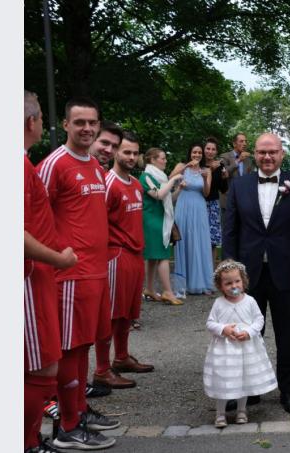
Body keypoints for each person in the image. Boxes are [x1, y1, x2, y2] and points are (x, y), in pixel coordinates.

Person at [36, 97, 118, 450]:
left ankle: (79, 410)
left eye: (92, 123)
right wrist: (54, 258)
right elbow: (32, 216)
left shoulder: (97, 167)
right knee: (68, 349)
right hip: (70, 275)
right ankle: (67, 425)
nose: (86, 128)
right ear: (66, 125)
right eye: (79, 122)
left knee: (83, 345)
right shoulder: (54, 164)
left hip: (96, 273)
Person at [222, 132, 290, 414]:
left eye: (272, 152)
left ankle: (287, 391)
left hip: (285, 271)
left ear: (282, 153)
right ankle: (249, 390)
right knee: (248, 333)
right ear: (254, 153)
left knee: (286, 334)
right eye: (262, 152)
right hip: (247, 274)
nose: (267, 157)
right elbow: (230, 231)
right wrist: (228, 272)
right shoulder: (239, 185)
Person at [24, 90, 79, 453]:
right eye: (42, 115)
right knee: (43, 367)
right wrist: (58, 259)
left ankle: (29, 439)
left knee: (43, 365)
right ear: (31, 122)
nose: (42, 122)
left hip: (38, 275)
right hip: (30, 277)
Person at [93, 132, 155, 392]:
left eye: (134, 152)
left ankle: (121, 357)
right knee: (110, 314)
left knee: (127, 313)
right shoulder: (109, 183)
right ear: (116, 152)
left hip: (134, 254)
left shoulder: (135, 183)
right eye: (126, 152)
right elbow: (97, 222)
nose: (130, 157)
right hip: (116, 254)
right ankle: (101, 370)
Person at [204, 260, 278, 427]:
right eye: (228, 283)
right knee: (225, 380)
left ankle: (241, 410)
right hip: (225, 351)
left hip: (246, 349)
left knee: (243, 379)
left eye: (237, 281)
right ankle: (220, 413)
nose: (233, 285)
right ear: (221, 286)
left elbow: (259, 320)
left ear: (243, 281)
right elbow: (210, 323)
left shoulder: (250, 301)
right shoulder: (219, 303)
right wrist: (223, 329)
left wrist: (249, 332)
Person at [139, 148, 184, 305]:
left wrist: (179, 189)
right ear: (152, 160)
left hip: (159, 218)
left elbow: (168, 199)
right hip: (152, 220)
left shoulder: (160, 177)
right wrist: (173, 180)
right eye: (163, 158)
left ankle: (149, 289)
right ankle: (167, 291)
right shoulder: (146, 176)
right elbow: (158, 194)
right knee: (163, 255)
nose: (165, 161)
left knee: (152, 257)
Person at [171, 144, 215, 295]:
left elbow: (207, 193)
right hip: (183, 206)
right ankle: (183, 284)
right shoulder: (182, 165)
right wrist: (186, 166)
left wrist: (205, 178)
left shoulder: (206, 170)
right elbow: (170, 178)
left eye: (199, 152)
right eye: (194, 152)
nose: (197, 155)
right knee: (184, 241)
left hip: (199, 207)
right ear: (190, 153)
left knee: (199, 242)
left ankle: (201, 282)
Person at [219, 133, 254, 228]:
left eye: (246, 141)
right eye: (241, 141)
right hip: (227, 201)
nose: (245, 144)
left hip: (243, 203)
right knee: (226, 232)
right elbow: (223, 175)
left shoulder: (249, 161)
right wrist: (238, 161)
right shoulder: (224, 157)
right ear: (234, 144)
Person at [204, 137, 228, 265]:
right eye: (208, 148)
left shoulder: (221, 166)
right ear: (204, 150)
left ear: (216, 152)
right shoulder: (198, 164)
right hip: (199, 204)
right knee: (199, 238)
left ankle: (210, 271)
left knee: (212, 241)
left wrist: (224, 178)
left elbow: (223, 190)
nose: (210, 151)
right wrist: (210, 170)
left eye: (213, 149)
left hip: (213, 204)